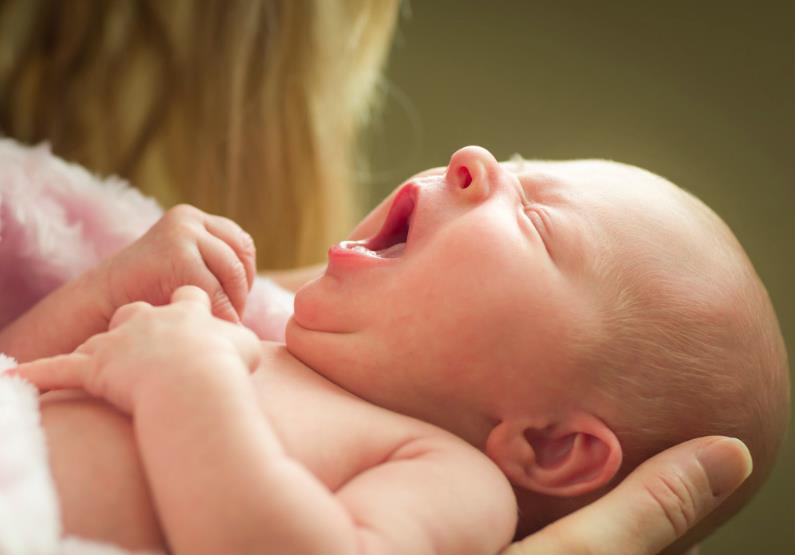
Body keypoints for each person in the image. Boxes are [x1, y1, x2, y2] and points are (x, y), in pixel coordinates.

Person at [5, 146, 787, 554]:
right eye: (513, 165)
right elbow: (16, 377)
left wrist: (189, 383)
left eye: (539, 224)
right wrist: (107, 289)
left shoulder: (449, 479)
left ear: (550, 445)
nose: (471, 160)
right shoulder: (251, 325)